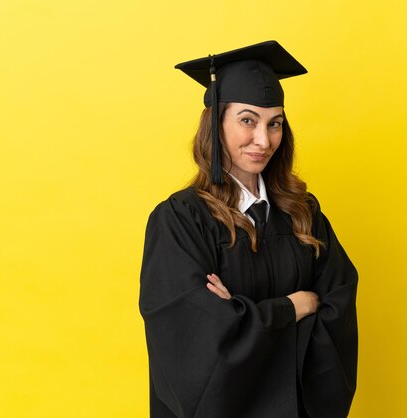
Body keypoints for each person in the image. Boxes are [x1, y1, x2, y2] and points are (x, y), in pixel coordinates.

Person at [139, 41, 358, 418]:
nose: (264, 139)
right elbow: (194, 343)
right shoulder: (181, 220)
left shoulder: (304, 215)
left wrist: (241, 316)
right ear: (216, 124)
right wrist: (294, 307)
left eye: (275, 123)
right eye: (247, 120)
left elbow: (337, 313)